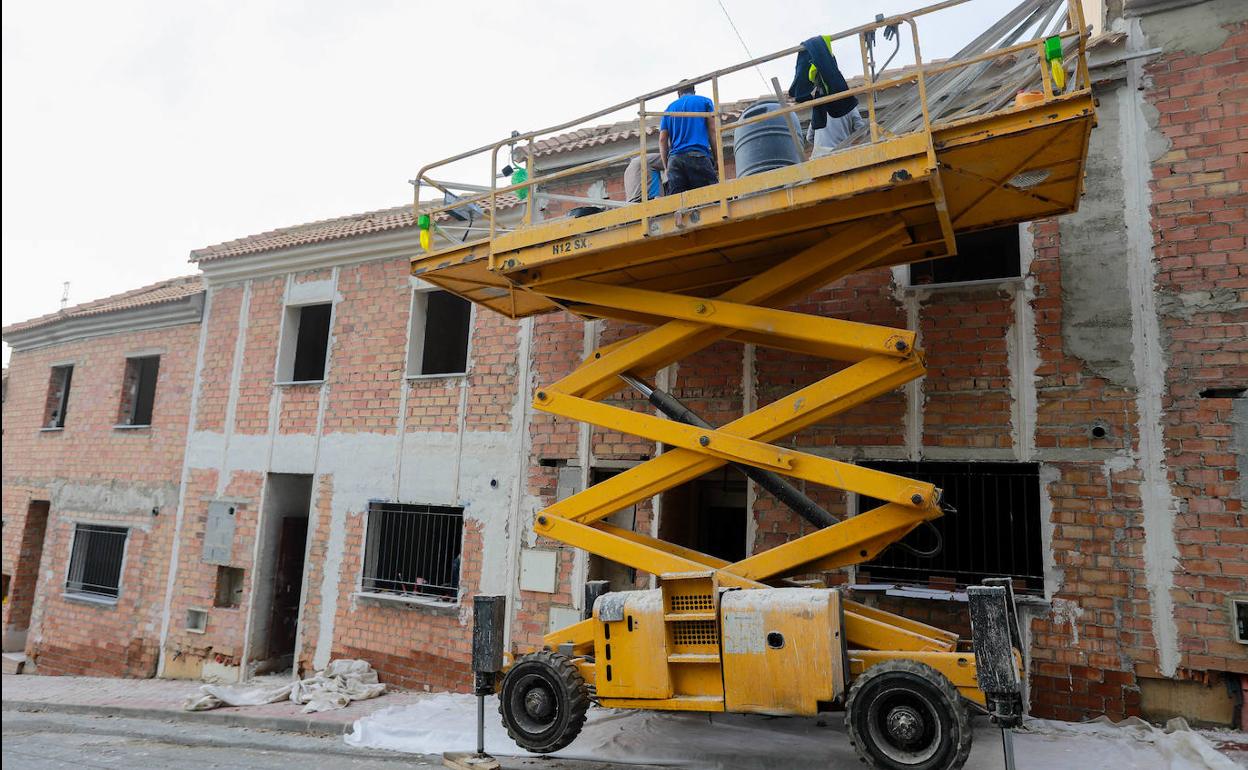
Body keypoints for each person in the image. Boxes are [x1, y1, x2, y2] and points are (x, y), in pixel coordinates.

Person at [659, 81, 718, 195]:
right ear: (694, 91)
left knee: (680, 206)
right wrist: (717, 158)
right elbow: (713, 130)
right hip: (698, 157)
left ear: (678, 93)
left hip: (675, 161)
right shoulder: (705, 102)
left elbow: (662, 140)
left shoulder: (669, 109)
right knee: (712, 200)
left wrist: (666, 167)